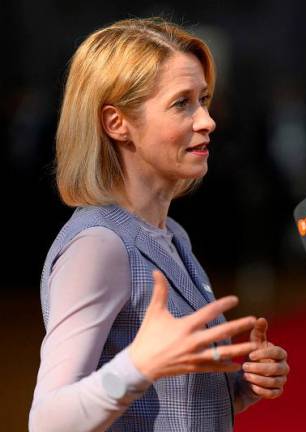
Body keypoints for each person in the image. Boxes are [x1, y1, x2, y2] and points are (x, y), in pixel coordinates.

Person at [29, 17, 289, 431]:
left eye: (203, 99)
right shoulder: (98, 245)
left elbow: (163, 407)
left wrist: (240, 388)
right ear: (117, 123)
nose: (207, 120)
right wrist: (139, 365)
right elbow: (48, 421)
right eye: (181, 103)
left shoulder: (173, 234)